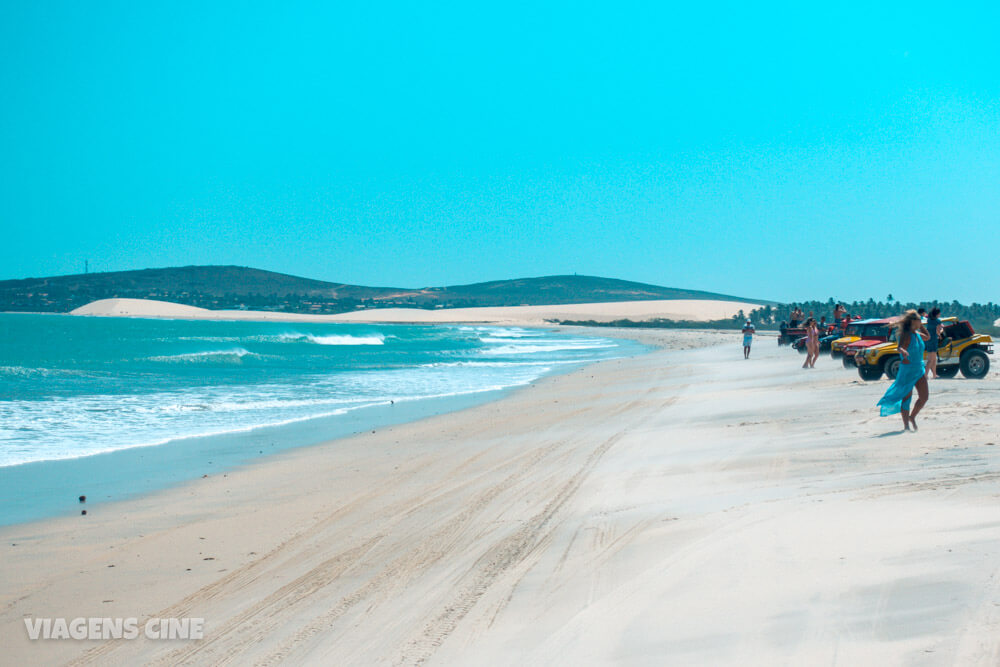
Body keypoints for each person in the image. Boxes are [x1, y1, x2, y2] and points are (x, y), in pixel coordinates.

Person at [877, 310, 929, 431]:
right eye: (919, 320)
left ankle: (912, 417)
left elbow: (927, 337)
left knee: (924, 397)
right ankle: (906, 426)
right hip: (908, 369)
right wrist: (903, 352)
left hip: (919, 368)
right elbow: (899, 347)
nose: (921, 322)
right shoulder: (906, 334)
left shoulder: (917, 334)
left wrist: (920, 326)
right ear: (912, 321)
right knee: (906, 398)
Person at [925, 307, 943, 378]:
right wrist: (942, 330)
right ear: (937, 314)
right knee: (931, 360)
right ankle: (925, 375)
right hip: (934, 340)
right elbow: (938, 332)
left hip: (929, 340)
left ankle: (934, 374)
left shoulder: (929, 320)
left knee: (934, 359)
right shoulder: (938, 321)